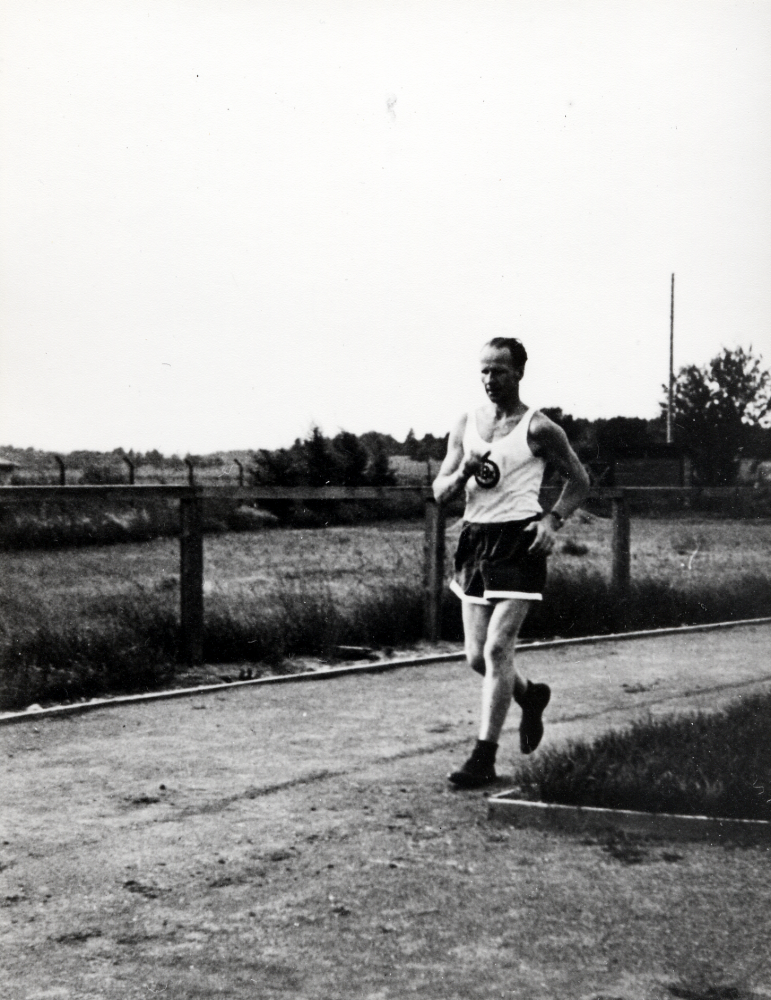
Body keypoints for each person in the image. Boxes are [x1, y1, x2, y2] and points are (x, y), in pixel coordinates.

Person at [433, 337, 590, 788]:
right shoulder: (466, 424)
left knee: (498, 649)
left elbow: (580, 480)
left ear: (518, 373)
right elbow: (440, 494)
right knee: (476, 657)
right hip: (474, 540)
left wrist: (552, 520)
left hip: (519, 542)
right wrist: (465, 470)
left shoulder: (539, 428)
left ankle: (483, 757)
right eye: (484, 370)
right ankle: (530, 696)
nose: (490, 379)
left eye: (499, 371)